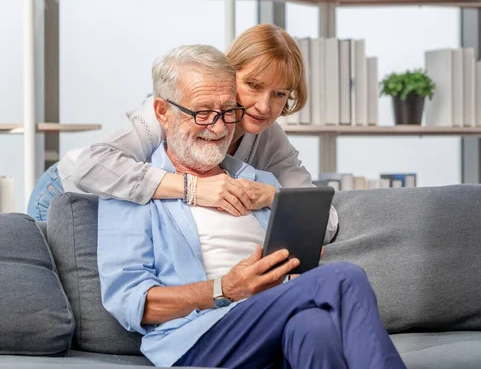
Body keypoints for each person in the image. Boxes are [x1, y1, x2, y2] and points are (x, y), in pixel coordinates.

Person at [98, 44, 406, 369]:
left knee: (315, 329)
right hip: (199, 338)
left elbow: (302, 256)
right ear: (163, 112)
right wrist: (225, 288)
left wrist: (296, 269)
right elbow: (131, 303)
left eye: (229, 112)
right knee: (344, 277)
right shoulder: (132, 188)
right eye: (203, 113)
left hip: (269, 321)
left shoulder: (261, 181)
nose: (218, 128)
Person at [26, 23, 338, 242]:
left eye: (280, 94)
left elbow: (324, 219)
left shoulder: (269, 139)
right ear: (229, 75)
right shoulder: (168, 111)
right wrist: (192, 188)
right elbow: (89, 166)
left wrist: (271, 196)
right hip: (68, 193)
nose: (263, 106)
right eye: (253, 86)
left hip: (129, 214)